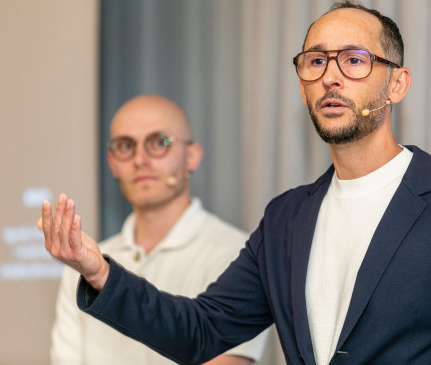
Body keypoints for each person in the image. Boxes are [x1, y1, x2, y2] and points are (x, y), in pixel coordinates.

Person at [41, 0, 431, 364]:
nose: (331, 77)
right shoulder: (286, 219)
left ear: (396, 83)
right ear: (301, 85)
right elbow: (200, 330)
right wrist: (98, 270)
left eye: (354, 60)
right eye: (315, 62)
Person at [49, 94, 269, 365]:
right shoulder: (85, 262)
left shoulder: (239, 254)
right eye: (126, 145)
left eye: (158, 142)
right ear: (112, 162)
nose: (140, 159)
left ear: (192, 156)